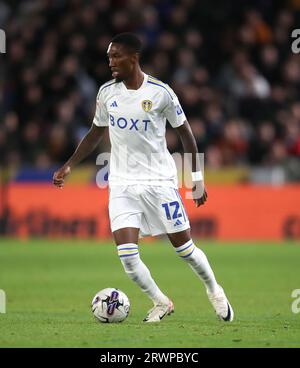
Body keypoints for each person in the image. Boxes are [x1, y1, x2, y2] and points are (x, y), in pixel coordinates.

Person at [53, 33, 234, 323]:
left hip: (159, 183)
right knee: (127, 256)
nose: (110, 62)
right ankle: (160, 302)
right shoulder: (106, 93)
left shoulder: (161, 92)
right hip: (122, 184)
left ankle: (214, 290)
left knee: (185, 250)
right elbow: (95, 132)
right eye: (108, 57)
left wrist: (197, 179)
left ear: (133, 58)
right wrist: (70, 164)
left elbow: (187, 135)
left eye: (116, 57)